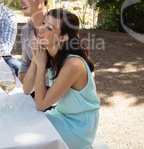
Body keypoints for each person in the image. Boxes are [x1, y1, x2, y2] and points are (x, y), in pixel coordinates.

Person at [23, 9, 100, 149]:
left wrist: (41, 65)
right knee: (22, 122)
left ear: (63, 37)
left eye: (49, 28)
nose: (41, 29)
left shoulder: (73, 65)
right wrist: (36, 58)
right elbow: (27, 88)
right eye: (43, 23)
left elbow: (41, 104)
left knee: (29, 138)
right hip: (61, 115)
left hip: (79, 127)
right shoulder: (50, 52)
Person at [18, 0, 49, 83]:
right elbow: (25, 64)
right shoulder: (25, 30)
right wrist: (21, 90)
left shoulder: (58, 26)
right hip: (32, 89)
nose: (21, 1)